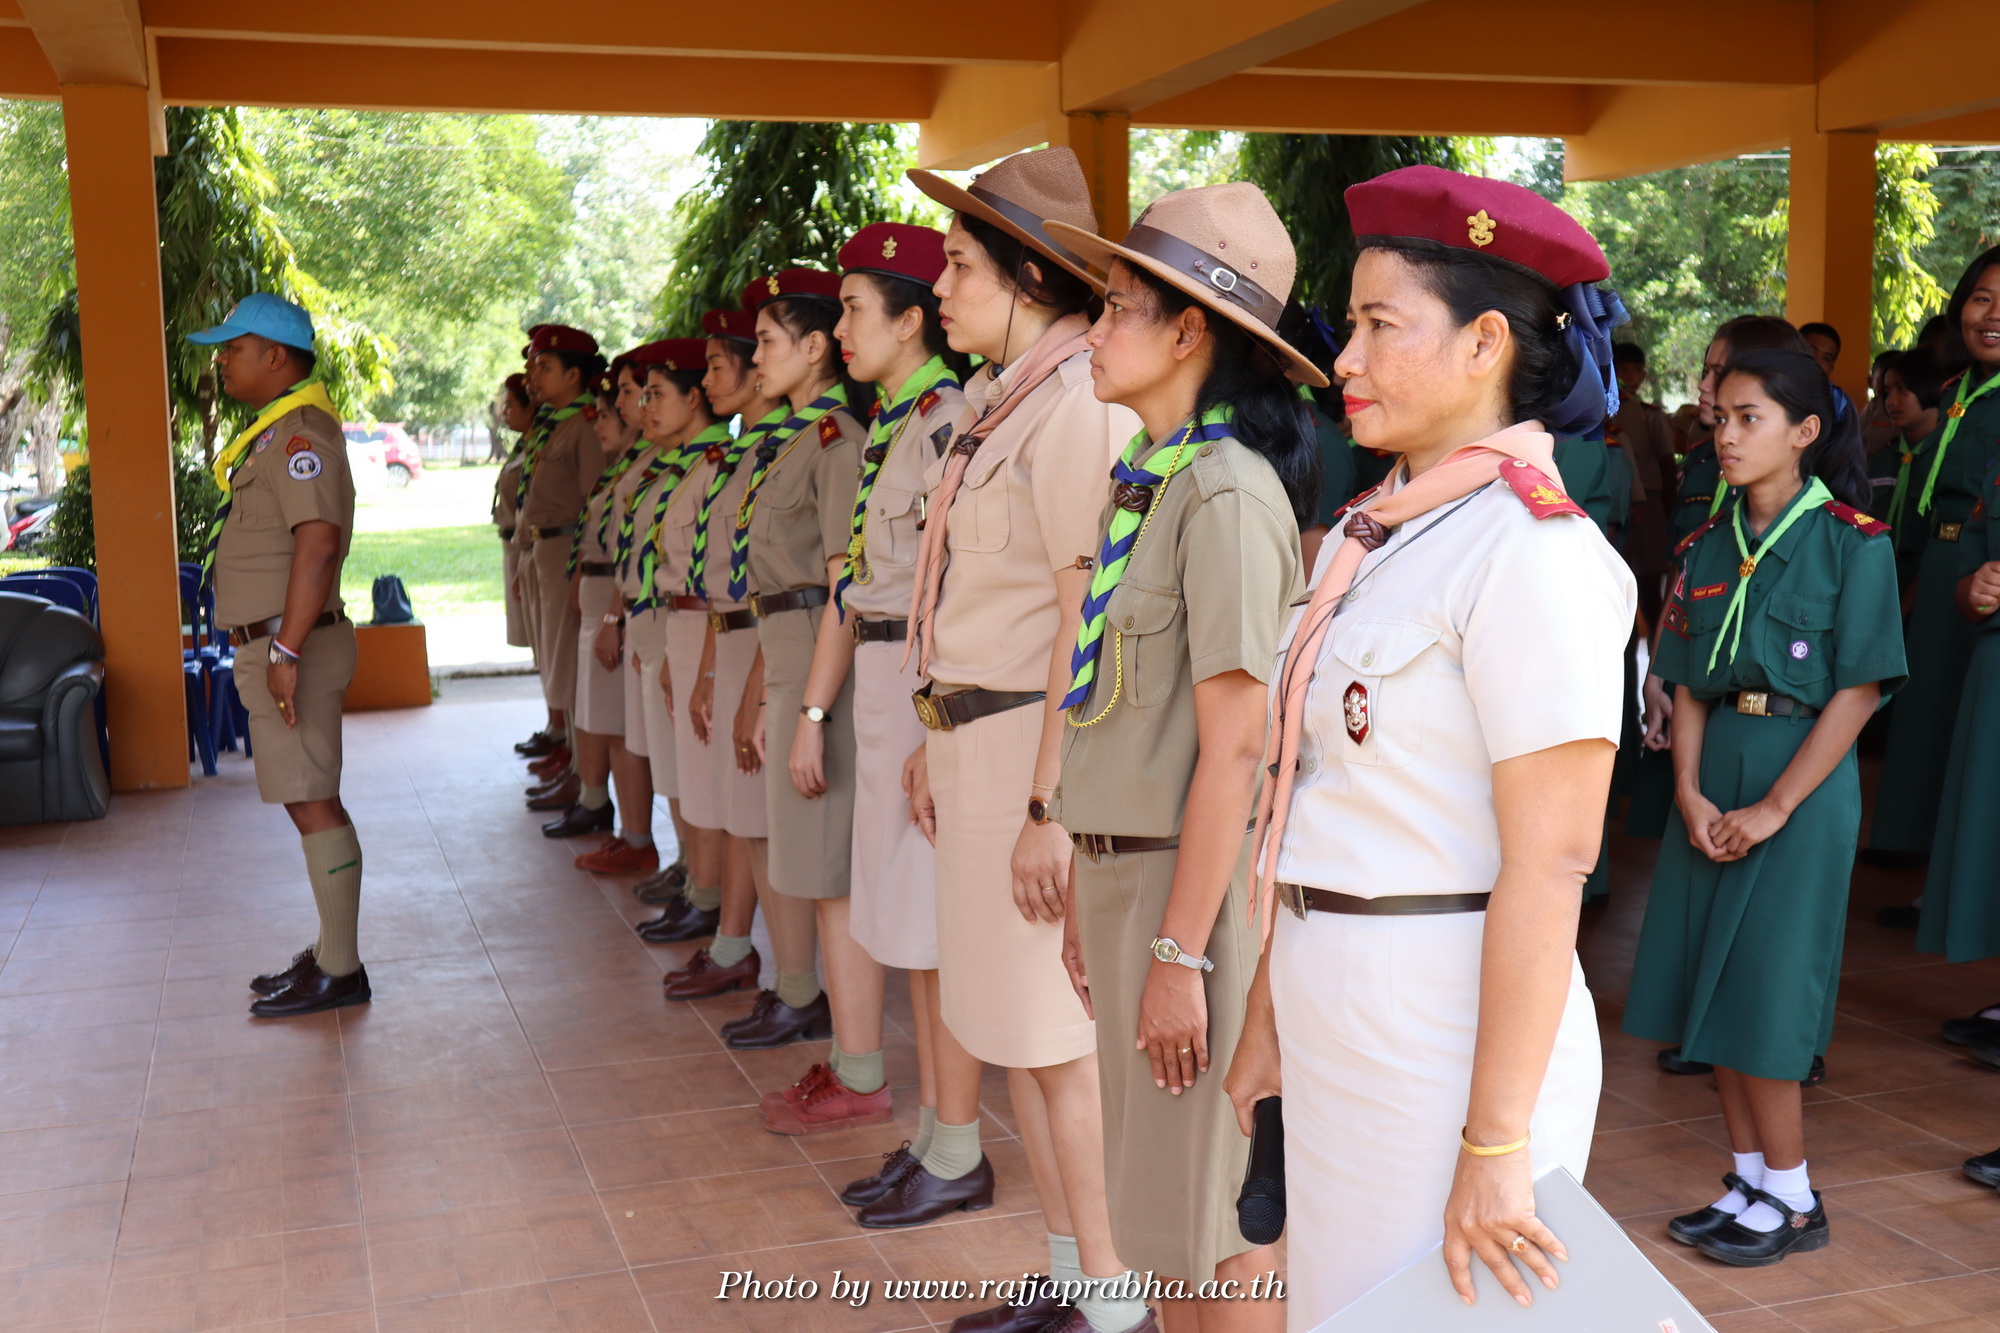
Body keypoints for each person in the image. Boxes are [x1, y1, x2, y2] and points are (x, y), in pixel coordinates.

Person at [1224, 166, 1635, 1325]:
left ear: (1483, 343)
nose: (1343, 360)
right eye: (1349, 327)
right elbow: (1316, 797)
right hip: (1335, 1000)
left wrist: (1496, 1141)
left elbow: (1551, 862)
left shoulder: (1531, 553)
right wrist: (1267, 1018)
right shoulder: (1380, 537)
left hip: (1443, 1029)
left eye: (1378, 326)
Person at [1042, 181, 1315, 1333]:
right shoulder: (1150, 484)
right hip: (1135, 884)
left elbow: (1236, 748)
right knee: (1162, 1218)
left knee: (1220, 1224)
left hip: (1186, 901)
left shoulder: (1225, 496)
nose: (1092, 331)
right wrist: (1087, 880)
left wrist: (1174, 951)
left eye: (1115, 308)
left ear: (1187, 331)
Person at [898, 147, 1151, 1333]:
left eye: (959, 266)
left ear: (1028, 279)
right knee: (1016, 1035)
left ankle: (1111, 1296)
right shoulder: (1002, 402)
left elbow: (1076, 624)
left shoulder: (1073, 409)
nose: (939, 287)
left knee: (1058, 1046)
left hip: (1025, 763)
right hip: (976, 744)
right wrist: (930, 721)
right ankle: (1069, 1274)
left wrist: (1049, 808)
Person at [1623, 350, 1904, 1265]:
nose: (1728, 435)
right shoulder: (1708, 545)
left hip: (1799, 781)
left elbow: (1859, 691)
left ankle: (1793, 1194)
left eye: (1751, 418)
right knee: (1711, 985)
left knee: (1768, 992)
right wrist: (1687, 789)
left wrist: (1777, 806)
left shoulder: (1854, 542)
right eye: (1722, 418)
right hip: (1714, 778)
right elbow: (1689, 684)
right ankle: (1749, 1179)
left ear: (1804, 432)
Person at [764, 223, 970, 1138]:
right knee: (899, 917)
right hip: (877, 677)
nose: (839, 330)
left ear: (910, 319)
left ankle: (948, 1138)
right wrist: (814, 711)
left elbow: (959, 587)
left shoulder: (948, 423)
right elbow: (851, 586)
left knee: (928, 927)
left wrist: (932, 718)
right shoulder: (891, 426)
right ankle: (930, 1130)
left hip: (920, 678)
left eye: (853, 311)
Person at [190, 293, 369, 1018]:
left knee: (313, 798)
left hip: (293, 644)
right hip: (274, 642)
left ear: (275, 355)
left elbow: (318, 545)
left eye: (233, 348)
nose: (222, 361)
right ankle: (330, 954)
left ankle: (342, 969)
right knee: (304, 795)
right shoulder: (273, 434)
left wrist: (286, 649)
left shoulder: (301, 436)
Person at [730, 266, 869, 1060]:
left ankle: (853, 1060)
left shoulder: (833, 441)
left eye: (767, 342)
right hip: (785, 653)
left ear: (815, 348)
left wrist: (812, 709)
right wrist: (766, 696)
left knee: (824, 868)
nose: (756, 358)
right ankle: (817, 1016)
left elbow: (840, 585)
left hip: (821, 657)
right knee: (806, 862)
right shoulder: (787, 442)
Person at [638, 342, 768, 981]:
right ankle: (714, 911)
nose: (714, 380)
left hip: (743, 633)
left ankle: (730, 931)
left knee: (738, 802)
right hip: (705, 624)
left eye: (721, 367)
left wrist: (711, 668)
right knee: (708, 788)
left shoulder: (754, 455)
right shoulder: (728, 460)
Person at [1869, 250, 2000, 865]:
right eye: (1981, 299)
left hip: (1986, 568)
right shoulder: (1955, 391)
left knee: (1967, 723)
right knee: (1926, 708)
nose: (1992, 316)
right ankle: (1911, 848)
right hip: (1941, 558)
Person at [547, 356, 652, 848]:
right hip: (597, 596)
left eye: (609, 412)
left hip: (615, 599)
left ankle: (635, 836)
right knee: (599, 716)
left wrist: (613, 614)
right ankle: (598, 805)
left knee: (617, 726)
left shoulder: (648, 467)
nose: (601, 424)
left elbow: (630, 555)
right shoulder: (621, 469)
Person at [515, 325, 609, 827]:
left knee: (568, 665)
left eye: (544, 366)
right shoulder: (552, 424)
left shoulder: (584, 425)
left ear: (574, 375)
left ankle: (582, 774)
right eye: (533, 365)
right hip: (541, 549)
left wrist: (577, 570)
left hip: (566, 551)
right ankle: (572, 760)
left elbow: (594, 504)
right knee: (555, 660)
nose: (533, 375)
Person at [1877, 346, 1947, 594]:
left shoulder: (1949, 459)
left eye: (1902, 388)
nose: (1891, 401)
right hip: (1878, 578)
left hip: (1932, 583)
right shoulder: (1881, 459)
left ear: (1931, 386)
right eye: (1887, 391)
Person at [496, 374, 535, 655]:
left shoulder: (538, 445)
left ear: (529, 407)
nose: (504, 412)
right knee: (529, 630)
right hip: (513, 543)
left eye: (510, 405)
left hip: (527, 543)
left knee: (539, 632)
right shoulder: (523, 445)